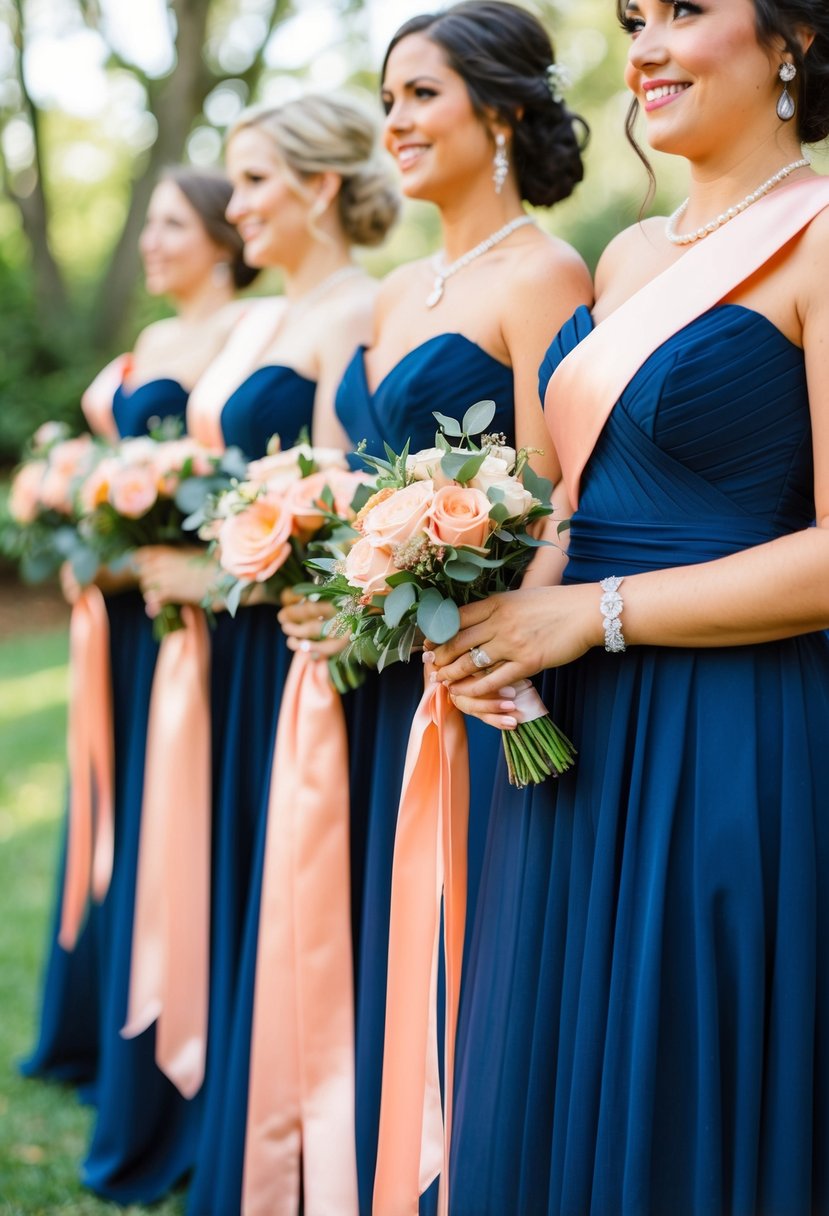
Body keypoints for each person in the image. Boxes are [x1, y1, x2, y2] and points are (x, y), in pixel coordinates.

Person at [432, 2, 829, 1212]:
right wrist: (509, 622)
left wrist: (595, 614)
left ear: (792, 42)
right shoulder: (624, 258)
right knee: (555, 1054)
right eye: (632, 19)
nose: (644, 46)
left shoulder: (822, 241)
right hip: (574, 725)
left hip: (730, 720)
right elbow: (577, 500)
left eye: (686, 11)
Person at [279, 5, 591, 1211]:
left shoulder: (545, 273)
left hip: (480, 673)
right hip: (369, 667)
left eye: (420, 96)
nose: (393, 123)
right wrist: (328, 583)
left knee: (471, 939)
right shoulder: (394, 287)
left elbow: (562, 493)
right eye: (388, 96)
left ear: (499, 112)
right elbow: (339, 478)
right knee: (370, 928)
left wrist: (490, 624)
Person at [123, 94, 397, 1216]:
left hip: (283, 642)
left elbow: (349, 507)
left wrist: (216, 575)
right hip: (228, 653)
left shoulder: (360, 310)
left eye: (250, 183)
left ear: (319, 188)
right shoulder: (251, 324)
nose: (232, 208)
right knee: (229, 877)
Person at [20, 167, 253, 1108]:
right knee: (106, 807)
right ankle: (93, 1020)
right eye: (147, 223)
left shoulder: (250, 335)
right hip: (112, 618)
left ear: (221, 235)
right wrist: (70, 503)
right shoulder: (156, 335)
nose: (151, 241)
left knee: (167, 814)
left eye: (170, 224)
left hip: (178, 616)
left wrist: (126, 551)